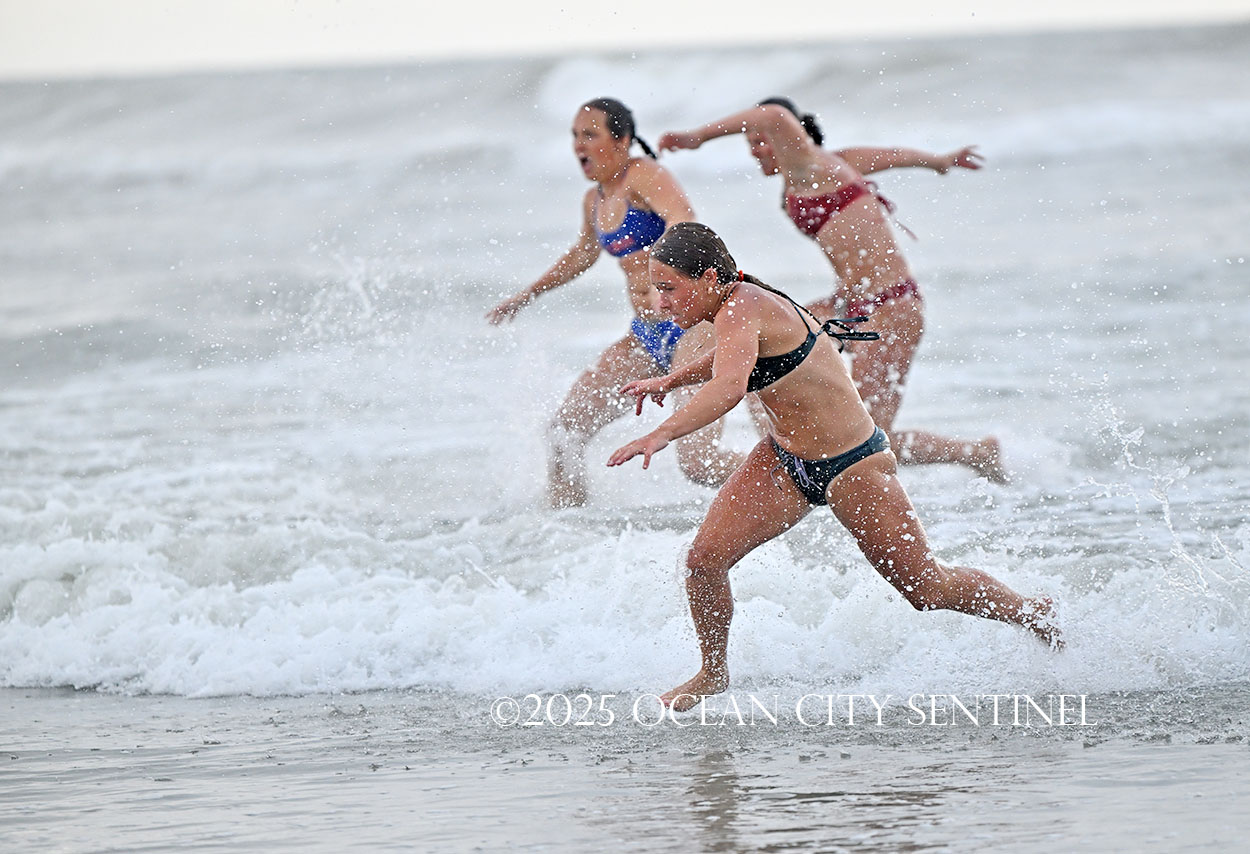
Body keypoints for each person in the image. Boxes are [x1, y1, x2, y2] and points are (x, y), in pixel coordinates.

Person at [607, 222, 1059, 712]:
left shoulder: (743, 304)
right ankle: (712, 672)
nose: (660, 303)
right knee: (704, 561)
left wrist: (661, 433)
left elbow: (729, 387)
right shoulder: (736, 306)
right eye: (656, 290)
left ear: (710, 278)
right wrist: (671, 380)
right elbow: (733, 359)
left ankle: (1031, 611)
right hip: (786, 461)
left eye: (669, 288)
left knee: (927, 589)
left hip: (853, 466)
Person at [658, 98, 1007, 481]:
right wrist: (938, 161)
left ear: (787, 136)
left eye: (760, 141)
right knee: (762, 348)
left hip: (891, 308)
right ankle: (785, 453)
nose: (754, 151)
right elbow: (891, 155)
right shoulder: (828, 166)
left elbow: (772, 114)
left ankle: (976, 453)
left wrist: (697, 136)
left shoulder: (812, 166)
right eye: (750, 144)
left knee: (868, 438)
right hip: (847, 306)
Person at [487, 98, 743, 507]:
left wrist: (663, 281)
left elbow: (683, 217)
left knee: (699, 462)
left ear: (621, 140)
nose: (579, 145)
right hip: (646, 336)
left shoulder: (644, 175)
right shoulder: (594, 200)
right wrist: (527, 294)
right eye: (575, 135)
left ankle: (794, 477)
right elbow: (582, 254)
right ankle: (566, 531)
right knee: (564, 431)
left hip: (695, 329)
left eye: (590, 134)